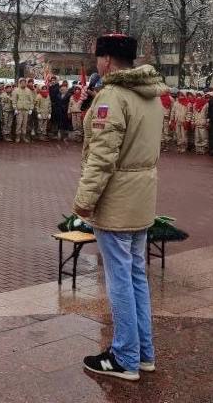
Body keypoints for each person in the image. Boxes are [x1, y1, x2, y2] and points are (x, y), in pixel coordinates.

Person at [73, 34, 165, 381]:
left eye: (99, 57)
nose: (97, 63)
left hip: (117, 200)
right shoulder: (150, 95)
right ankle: (143, 352)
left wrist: (84, 201)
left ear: (107, 60)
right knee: (136, 275)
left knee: (119, 280)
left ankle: (125, 356)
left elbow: (102, 156)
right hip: (141, 196)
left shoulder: (113, 96)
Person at [11, 78, 34, 144]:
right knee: (19, 124)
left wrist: (31, 109)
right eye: (22, 82)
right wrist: (15, 109)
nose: (23, 84)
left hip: (26, 110)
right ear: (19, 83)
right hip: (19, 110)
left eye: (24, 82)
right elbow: (14, 101)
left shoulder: (28, 91)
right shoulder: (16, 91)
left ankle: (23, 136)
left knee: (25, 124)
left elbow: (31, 101)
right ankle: (17, 137)